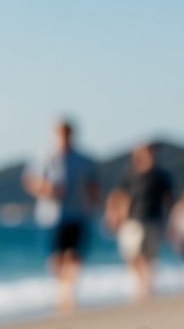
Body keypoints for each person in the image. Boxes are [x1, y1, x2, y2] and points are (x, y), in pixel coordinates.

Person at [22, 119, 101, 314]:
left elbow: (93, 185)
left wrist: (95, 204)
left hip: (78, 214)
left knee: (75, 255)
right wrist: (46, 188)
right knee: (56, 257)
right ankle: (61, 291)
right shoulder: (44, 156)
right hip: (51, 216)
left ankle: (69, 292)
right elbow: (29, 180)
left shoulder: (83, 160)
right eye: (61, 133)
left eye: (67, 133)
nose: (64, 137)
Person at [110, 143, 173, 302]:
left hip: (153, 220)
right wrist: (116, 215)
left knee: (149, 256)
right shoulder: (130, 175)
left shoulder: (161, 176)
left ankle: (147, 286)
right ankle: (143, 283)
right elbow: (120, 196)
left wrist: (173, 222)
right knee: (133, 254)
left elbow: (170, 200)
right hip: (133, 220)